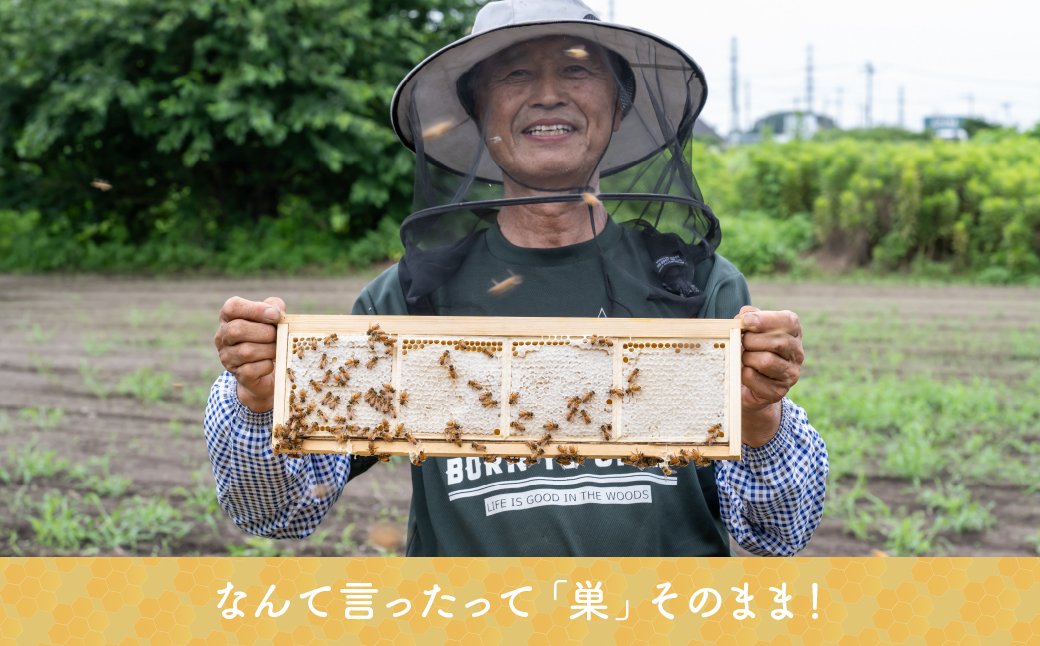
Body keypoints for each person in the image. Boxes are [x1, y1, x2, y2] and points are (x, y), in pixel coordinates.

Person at [205, 0, 828, 556]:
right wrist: (262, 403)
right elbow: (277, 512)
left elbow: (780, 534)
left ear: (618, 108)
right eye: (516, 73)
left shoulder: (696, 286)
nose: (549, 94)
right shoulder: (411, 298)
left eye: (578, 69)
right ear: (478, 114)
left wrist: (759, 420)